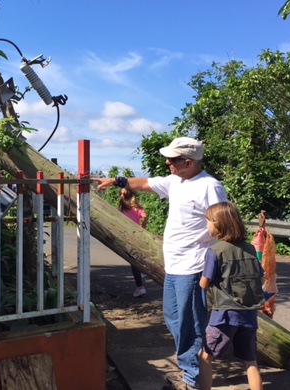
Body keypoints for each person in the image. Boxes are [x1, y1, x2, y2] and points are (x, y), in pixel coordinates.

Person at [94, 137, 227, 390]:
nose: (167, 162)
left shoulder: (210, 186)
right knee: (173, 318)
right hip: (175, 265)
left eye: (172, 159)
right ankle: (191, 368)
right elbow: (144, 183)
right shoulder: (176, 180)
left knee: (191, 322)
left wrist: (211, 253)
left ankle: (192, 377)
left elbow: (222, 223)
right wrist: (116, 181)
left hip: (194, 265)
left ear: (188, 162)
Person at [198, 201, 264, 390]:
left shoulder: (215, 251)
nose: (207, 225)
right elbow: (261, 276)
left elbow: (204, 282)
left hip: (224, 316)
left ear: (219, 224)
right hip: (249, 315)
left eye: (208, 221)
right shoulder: (250, 249)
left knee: (204, 357)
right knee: (250, 362)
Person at [118, 187, 148, 297]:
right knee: (138, 258)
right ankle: (142, 275)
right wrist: (142, 229)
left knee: (133, 262)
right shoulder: (136, 208)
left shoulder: (122, 209)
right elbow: (145, 216)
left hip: (128, 237)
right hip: (138, 236)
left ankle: (140, 287)